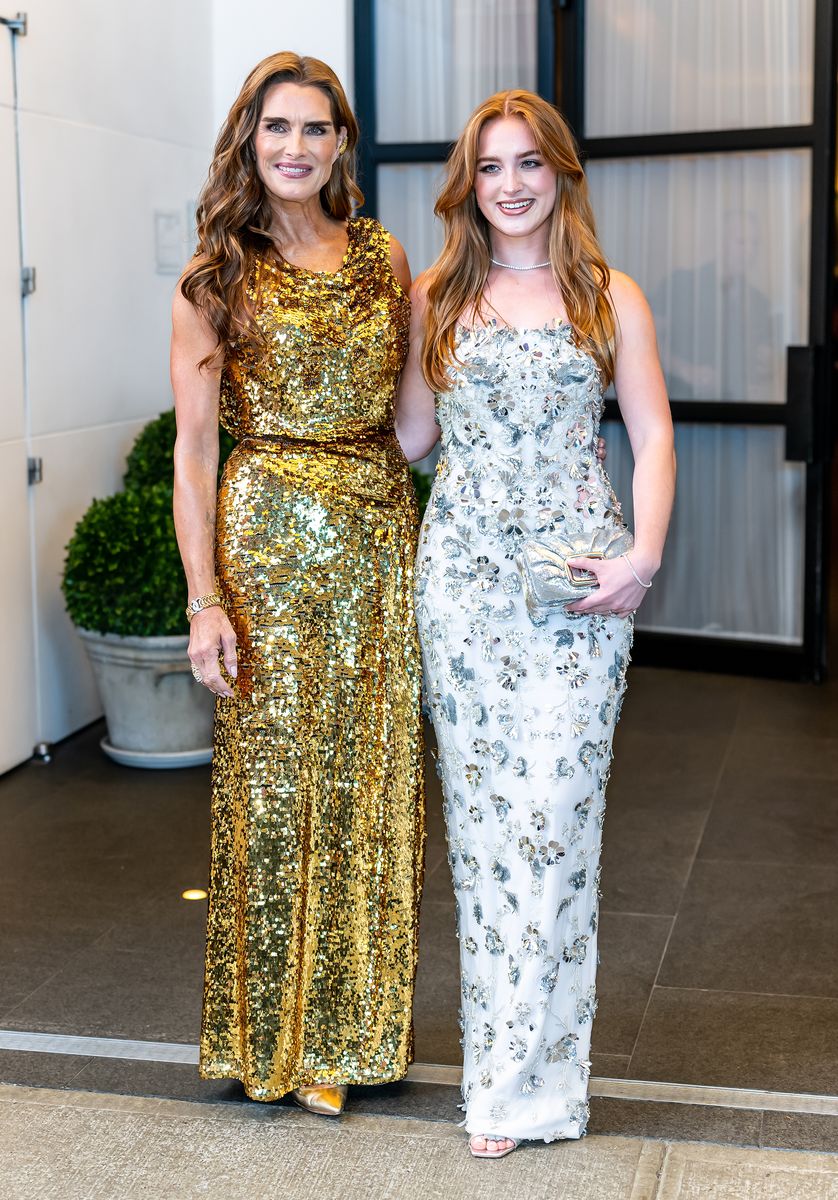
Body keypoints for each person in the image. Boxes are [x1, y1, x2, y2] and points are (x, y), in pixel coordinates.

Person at [396, 90, 675, 1156]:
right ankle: (500, 1085)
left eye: (527, 162)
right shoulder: (433, 297)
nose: (509, 183)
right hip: (461, 593)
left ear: (561, 172)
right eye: (489, 166)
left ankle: (541, 1086)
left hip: (577, 591)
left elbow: (651, 440)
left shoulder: (609, 296)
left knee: (553, 826)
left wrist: (641, 557)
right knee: (482, 838)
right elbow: (416, 441)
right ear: (468, 184)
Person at [171, 52, 425, 1116]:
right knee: (273, 790)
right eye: (278, 128)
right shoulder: (215, 274)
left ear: (340, 145)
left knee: (369, 782)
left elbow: (412, 424)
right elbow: (193, 452)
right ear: (249, 137)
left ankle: (343, 1043)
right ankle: (263, 1039)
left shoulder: (385, 257)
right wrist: (204, 598)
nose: (295, 148)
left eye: (316, 130)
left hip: (374, 541)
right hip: (265, 543)